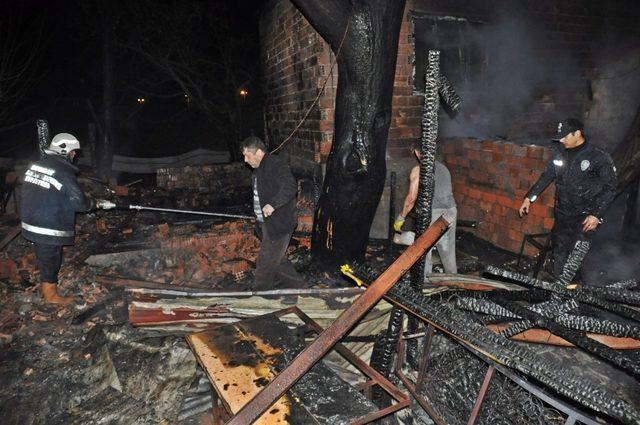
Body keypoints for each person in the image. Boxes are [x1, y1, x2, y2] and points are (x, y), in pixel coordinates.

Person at [20, 133, 115, 305]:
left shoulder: (38, 165)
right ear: (66, 151)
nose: (74, 156)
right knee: (51, 258)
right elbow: (79, 203)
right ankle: (51, 297)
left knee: (45, 255)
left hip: (30, 220)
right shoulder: (63, 171)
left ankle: (45, 283)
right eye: (73, 152)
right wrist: (97, 203)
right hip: (46, 225)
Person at [519, 118, 617, 282]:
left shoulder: (597, 156)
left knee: (577, 260)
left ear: (577, 133)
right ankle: (560, 295)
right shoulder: (560, 152)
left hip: (585, 218)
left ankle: (577, 298)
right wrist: (529, 198)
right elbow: (547, 176)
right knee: (559, 256)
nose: (562, 140)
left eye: (565, 136)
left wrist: (596, 215)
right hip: (563, 215)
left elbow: (610, 187)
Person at [240, 136, 306, 290]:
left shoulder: (275, 164)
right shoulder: (257, 170)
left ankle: (260, 294)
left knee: (265, 261)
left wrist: (272, 205)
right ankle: (301, 288)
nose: (245, 160)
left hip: (279, 224)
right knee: (278, 260)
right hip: (266, 224)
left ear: (257, 152)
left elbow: (290, 186)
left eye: (247, 155)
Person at [394, 141, 458, 275]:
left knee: (424, 251)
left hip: (433, 213)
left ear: (417, 153)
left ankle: (425, 284)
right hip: (451, 211)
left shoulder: (418, 170)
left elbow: (411, 198)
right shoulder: (444, 168)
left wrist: (401, 217)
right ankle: (454, 282)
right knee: (447, 251)